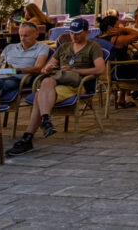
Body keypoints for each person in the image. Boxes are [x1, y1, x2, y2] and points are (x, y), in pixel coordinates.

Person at [6, 17, 105, 155]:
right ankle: (40, 126)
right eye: (72, 33)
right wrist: (48, 69)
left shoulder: (93, 47)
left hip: (76, 85)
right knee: (45, 84)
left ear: (87, 32)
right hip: (57, 82)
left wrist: (76, 71)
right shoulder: (64, 47)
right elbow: (46, 67)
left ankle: (30, 136)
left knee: (41, 92)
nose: (74, 36)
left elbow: (100, 70)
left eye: (77, 33)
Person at [0, 22, 49, 99]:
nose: (22, 39)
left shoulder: (42, 47)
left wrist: (16, 70)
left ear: (36, 34)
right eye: (21, 35)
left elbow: (38, 68)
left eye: (26, 36)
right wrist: (3, 67)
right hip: (2, 75)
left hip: (19, 79)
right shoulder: (9, 47)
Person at [97, 14, 138, 108]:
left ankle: (121, 99)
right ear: (110, 28)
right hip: (118, 72)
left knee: (127, 60)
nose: (120, 27)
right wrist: (124, 30)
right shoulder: (115, 39)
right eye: (118, 26)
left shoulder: (99, 38)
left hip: (105, 72)